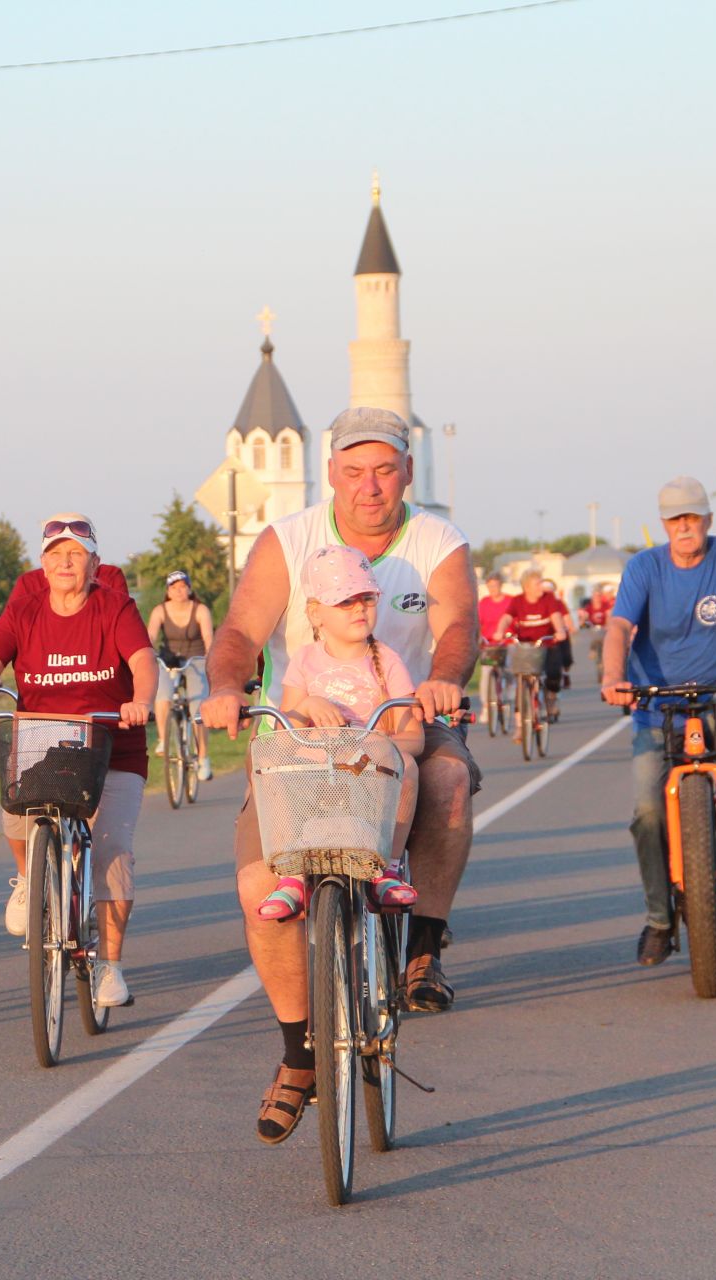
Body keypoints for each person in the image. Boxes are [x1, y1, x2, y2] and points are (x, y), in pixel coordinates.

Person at [200, 406, 478, 1145]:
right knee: (260, 884)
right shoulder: (289, 541)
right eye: (354, 471)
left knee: (448, 785)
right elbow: (239, 630)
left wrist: (441, 681)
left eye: (384, 469)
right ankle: (298, 1056)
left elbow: (458, 627)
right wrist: (226, 687)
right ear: (332, 474)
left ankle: (423, 948)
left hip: (402, 718)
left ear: (407, 472)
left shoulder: (436, 541)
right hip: (304, 739)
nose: (369, 486)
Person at [0, 512, 155, 1007]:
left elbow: (143, 661)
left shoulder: (115, 607)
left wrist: (140, 700)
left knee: (110, 851)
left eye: (76, 553)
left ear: (94, 563)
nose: (66, 561)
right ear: (42, 564)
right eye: (56, 553)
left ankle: (110, 964)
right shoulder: (25, 611)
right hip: (42, 737)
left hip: (112, 742)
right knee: (17, 815)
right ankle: (27, 879)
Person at [602, 477, 716, 967]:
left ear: (708, 520)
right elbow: (619, 626)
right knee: (648, 811)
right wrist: (613, 676)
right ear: (664, 524)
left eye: (693, 518)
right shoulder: (644, 566)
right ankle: (660, 919)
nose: (685, 527)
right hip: (656, 704)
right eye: (676, 520)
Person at [256, 545, 422, 921]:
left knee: (408, 764)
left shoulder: (388, 661)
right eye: (345, 601)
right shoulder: (304, 661)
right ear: (317, 613)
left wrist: (378, 746)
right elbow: (290, 729)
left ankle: (388, 868)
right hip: (317, 773)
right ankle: (292, 875)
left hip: (369, 774)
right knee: (276, 766)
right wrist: (307, 706)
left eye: (366, 598)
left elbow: (415, 735)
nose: (359, 608)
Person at [147, 569, 214, 778]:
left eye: (183, 587)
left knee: (197, 709)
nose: (179, 592)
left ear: (189, 589)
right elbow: (149, 637)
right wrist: (148, 655)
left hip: (196, 660)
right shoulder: (160, 611)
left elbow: (209, 639)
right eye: (174, 588)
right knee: (162, 695)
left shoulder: (200, 610)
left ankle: (203, 758)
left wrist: (211, 660)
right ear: (168, 591)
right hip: (169, 660)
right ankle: (163, 740)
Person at [494, 568, 569, 741]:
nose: (541, 586)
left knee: (553, 674)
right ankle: (520, 726)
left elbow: (556, 616)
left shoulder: (548, 599)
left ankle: (550, 698)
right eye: (537, 583)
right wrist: (500, 631)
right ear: (527, 586)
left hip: (546, 644)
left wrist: (560, 631)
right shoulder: (518, 601)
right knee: (522, 682)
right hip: (526, 647)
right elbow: (506, 618)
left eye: (541, 582)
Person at [475, 572, 512, 721]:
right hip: (489, 644)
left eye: (495, 586)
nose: (492, 589)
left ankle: (511, 690)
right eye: (489, 586)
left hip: (506, 643)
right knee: (486, 673)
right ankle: (486, 706)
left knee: (510, 668)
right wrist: (477, 637)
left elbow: (514, 619)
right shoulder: (483, 603)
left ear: (500, 585)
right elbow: (477, 623)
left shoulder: (510, 601)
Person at [582, 583, 615, 682]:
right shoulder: (589, 607)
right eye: (595, 596)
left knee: (605, 645)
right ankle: (592, 650)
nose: (597, 598)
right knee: (594, 639)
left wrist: (608, 625)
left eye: (598, 596)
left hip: (603, 629)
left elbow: (608, 616)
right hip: (593, 629)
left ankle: (604, 665)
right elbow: (585, 617)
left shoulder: (605, 606)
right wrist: (583, 622)